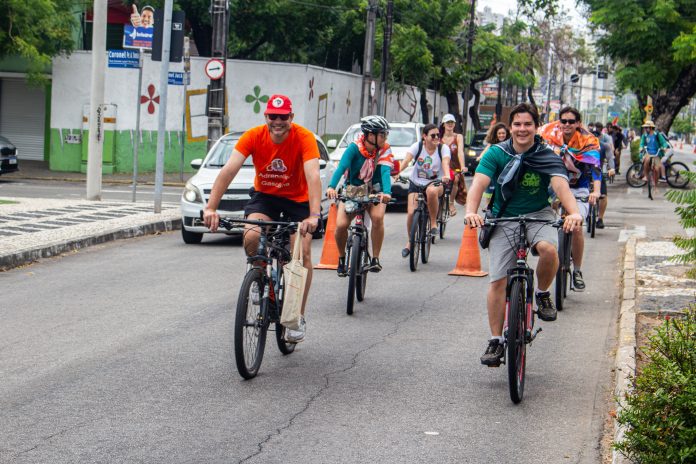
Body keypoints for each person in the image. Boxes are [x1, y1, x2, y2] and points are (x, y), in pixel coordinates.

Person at [466, 103, 583, 367]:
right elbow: (479, 183)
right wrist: (472, 212)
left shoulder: (546, 154)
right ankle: (495, 340)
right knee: (497, 280)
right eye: (517, 124)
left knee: (550, 250)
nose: (522, 129)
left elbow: (560, 185)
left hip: (538, 215)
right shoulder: (496, 153)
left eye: (527, 124)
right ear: (510, 127)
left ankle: (541, 293)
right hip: (502, 218)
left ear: (536, 127)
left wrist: (573, 212)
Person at [203, 94, 321, 343]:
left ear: (291, 117)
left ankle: (297, 315)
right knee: (252, 234)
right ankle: (259, 276)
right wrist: (211, 208)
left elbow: (313, 176)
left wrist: (313, 214)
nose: (277, 121)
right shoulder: (253, 136)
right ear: (265, 117)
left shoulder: (304, 137)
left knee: (303, 252)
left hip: (297, 200)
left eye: (283, 117)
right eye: (272, 116)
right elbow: (229, 170)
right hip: (265, 196)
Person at [540, 107, 602, 292]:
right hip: (554, 187)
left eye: (571, 121)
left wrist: (596, 192)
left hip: (579, 189)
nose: (567, 124)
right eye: (563, 121)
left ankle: (577, 271)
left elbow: (596, 169)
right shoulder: (548, 135)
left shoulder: (588, 141)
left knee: (576, 228)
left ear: (578, 124)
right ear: (559, 122)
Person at [326, 115, 393, 275]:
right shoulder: (354, 148)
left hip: (375, 190)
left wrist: (387, 193)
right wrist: (331, 187)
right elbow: (341, 168)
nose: (385, 137)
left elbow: (385, 172)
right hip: (353, 189)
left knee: (377, 218)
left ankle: (375, 259)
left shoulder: (384, 148)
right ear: (371, 135)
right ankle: (342, 259)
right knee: (341, 225)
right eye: (382, 134)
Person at [397, 124, 451, 258]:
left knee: (432, 192)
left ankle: (433, 223)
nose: (436, 138)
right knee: (411, 213)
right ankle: (410, 242)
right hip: (416, 183)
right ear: (424, 136)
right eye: (433, 135)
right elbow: (407, 160)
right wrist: (398, 172)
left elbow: (445, 162)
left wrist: (446, 175)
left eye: (438, 135)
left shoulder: (443, 148)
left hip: (435, 183)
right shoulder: (418, 147)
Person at [477, 123, 511, 208]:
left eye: (503, 133)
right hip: (496, 170)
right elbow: (486, 151)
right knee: (490, 183)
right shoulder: (493, 145)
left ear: (506, 134)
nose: (501, 135)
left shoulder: (510, 144)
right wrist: (480, 157)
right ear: (496, 134)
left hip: (506, 170)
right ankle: (488, 205)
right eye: (499, 133)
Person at [591, 123, 616, 229]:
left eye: (597, 136)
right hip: (584, 173)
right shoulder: (583, 145)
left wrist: (612, 168)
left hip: (598, 173)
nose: (594, 139)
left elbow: (610, 157)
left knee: (604, 196)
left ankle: (600, 218)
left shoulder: (604, 146)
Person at [440, 114, 466, 216]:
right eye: (448, 122)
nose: (450, 124)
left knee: (455, 179)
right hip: (441, 167)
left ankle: (451, 203)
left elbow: (460, 152)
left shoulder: (458, 137)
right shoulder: (439, 137)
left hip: (454, 167)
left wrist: (463, 166)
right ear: (443, 124)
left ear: (454, 124)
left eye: (452, 122)